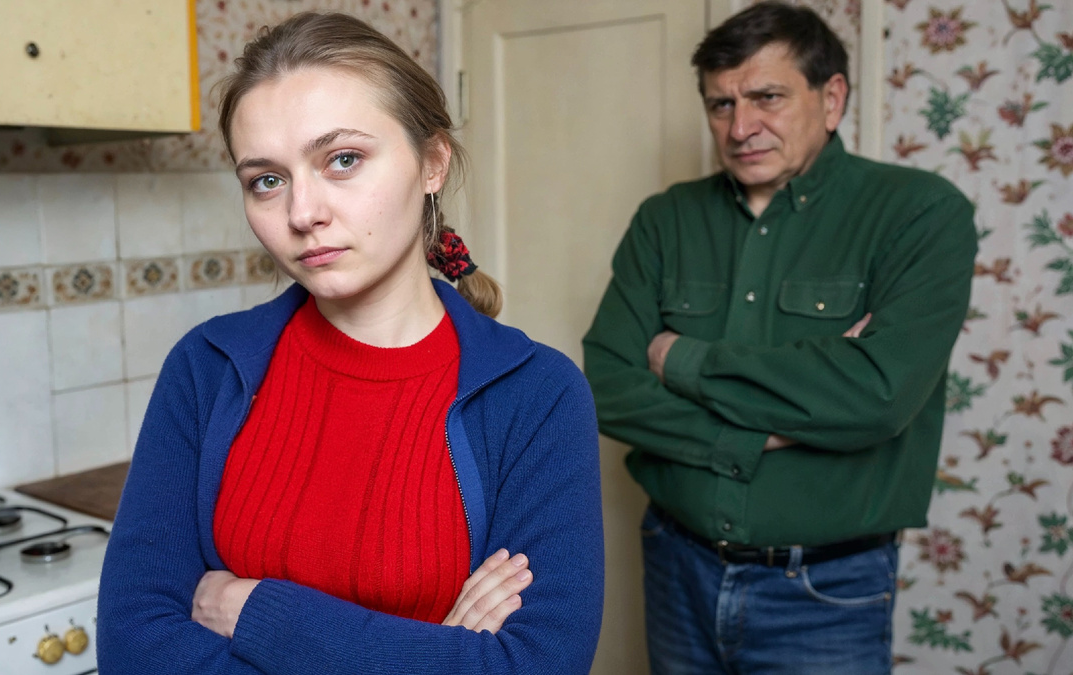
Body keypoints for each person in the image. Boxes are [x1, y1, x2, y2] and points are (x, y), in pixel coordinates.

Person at [97, 12, 604, 674]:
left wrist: (254, 611)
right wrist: (431, 652)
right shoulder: (208, 367)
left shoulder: (536, 394)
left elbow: (536, 665)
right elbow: (132, 647)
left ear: (432, 162)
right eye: (266, 180)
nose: (302, 213)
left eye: (343, 160)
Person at [582, 3, 976, 673]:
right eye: (721, 104)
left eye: (767, 97)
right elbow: (605, 385)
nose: (740, 128)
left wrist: (680, 357)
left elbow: (876, 396)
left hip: (828, 590)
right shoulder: (665, 219)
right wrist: (758, 429)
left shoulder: (920, 214)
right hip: (677, 565)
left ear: (832, 99)